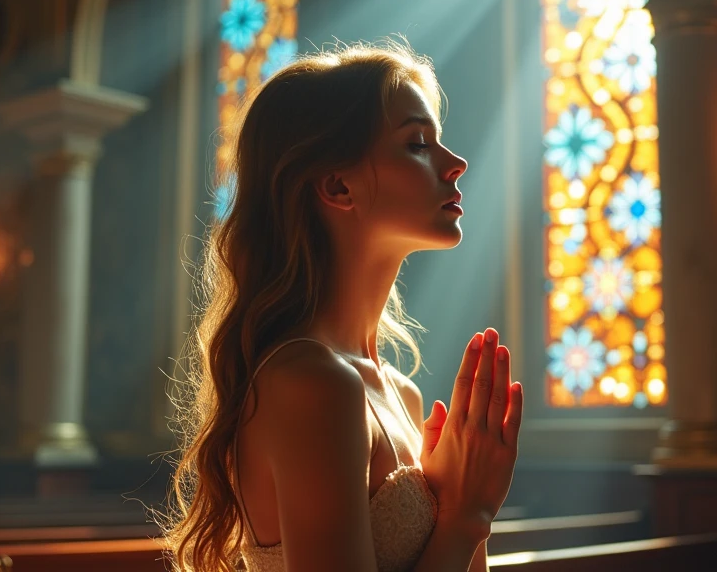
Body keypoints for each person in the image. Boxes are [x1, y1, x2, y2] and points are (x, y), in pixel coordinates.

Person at [163, 39, 524, 572]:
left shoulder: (402, 393)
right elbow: (459, 531)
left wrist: (469, 517)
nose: (456, 164)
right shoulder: (309, 381)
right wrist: (468, 513)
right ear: (337, 185)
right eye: (418, 144)